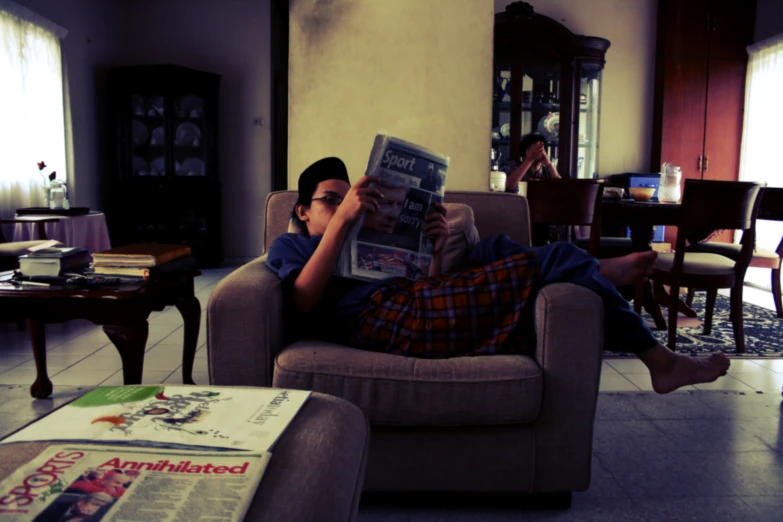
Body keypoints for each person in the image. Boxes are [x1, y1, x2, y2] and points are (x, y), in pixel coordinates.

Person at [270, 157, 730, 394]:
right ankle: (657, 357)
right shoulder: (293, 246)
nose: (338, 208)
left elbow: (419, 289)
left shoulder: (368, 238)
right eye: (328, 200)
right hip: (381, 319)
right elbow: (303, 302)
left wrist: (430, 250)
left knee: (491, 250)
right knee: (553, 261)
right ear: (302, 210)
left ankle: (586, 269)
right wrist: (345, 221)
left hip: (415, 304)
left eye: (343, 198)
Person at [33, 492, 113, 522]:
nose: (96, 510)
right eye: (96, 505)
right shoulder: (51, 508)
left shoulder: (91, 519)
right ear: (81, 502)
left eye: (100, 508)